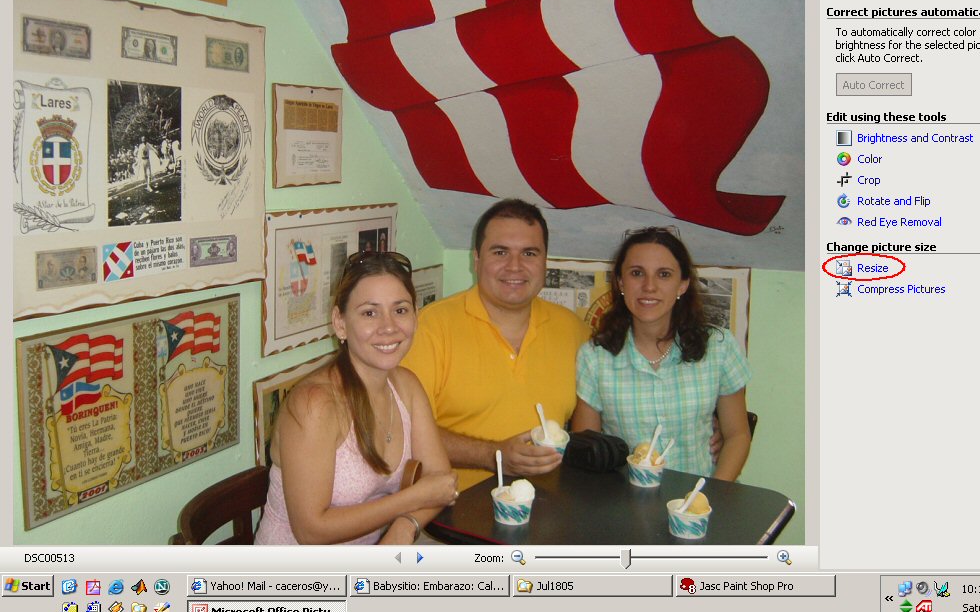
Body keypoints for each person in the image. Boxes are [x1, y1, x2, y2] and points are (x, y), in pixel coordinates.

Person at [254, 251, 458, 544]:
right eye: (369, 313)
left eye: (400, 310)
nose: (389, 327)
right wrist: (412, 499)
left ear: (415, 315)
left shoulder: (406, 386)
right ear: (340, 323)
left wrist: (406, 525)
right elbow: (311, 531)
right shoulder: (314, 405)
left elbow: (441, 482)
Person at [404, 199, 591, 491]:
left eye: (529, 253)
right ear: (476, 260)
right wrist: (493, 455)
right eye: (500, 252)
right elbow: (402, 432)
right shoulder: (430, 328)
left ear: (545, 261)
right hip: (453, 507)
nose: (515, 266)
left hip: (550, 502)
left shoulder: (575, 331)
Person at [571, 227, 751, 481]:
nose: (649, 286)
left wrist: (710, 495)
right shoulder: (594, 357)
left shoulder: (718, 347)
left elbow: (737, 435)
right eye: (637, 273)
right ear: (621, 282)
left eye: (664, 274)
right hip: (625, 497)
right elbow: (588, 451)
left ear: (683, 284)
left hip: (702, 494)